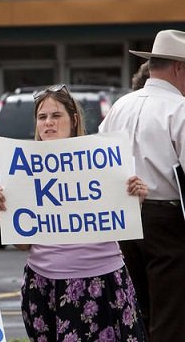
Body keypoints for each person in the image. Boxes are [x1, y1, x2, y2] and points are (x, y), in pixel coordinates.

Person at [0, 84, 148, 341]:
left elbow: (122, 224)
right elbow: (22, 244)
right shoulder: (23, 172)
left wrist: (134, 199)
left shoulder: (103, 161)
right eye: (42, 117)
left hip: (102, 282)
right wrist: (1, 215)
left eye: (56, 115)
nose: (48, 123)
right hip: (44, 285)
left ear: (73, 120)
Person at [99, 29, 185, 341]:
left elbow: (99, 160)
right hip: (168, 219)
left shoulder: (120, 106)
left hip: (122, 214)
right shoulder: (180, 110)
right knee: (170, 314)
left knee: (135, 310)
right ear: (179, 67)